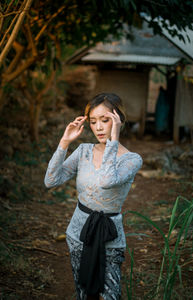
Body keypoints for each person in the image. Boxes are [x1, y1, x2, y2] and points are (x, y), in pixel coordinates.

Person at [44, 93, 143, 300]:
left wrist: (113, 141)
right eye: (93, 121)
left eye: (105, 120)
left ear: (119, 120)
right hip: (78, 232)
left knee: (110, 295)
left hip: (110, 236)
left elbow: (107, 181)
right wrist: (64, 141)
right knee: (83, 293)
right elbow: (51, 180)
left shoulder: (132, 159)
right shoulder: (84, 151)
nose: (98, 127)